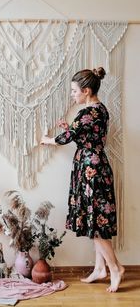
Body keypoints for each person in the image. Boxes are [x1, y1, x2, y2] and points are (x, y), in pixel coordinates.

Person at [40, 67, 124, 293]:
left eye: (74, 91)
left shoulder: (87, 113)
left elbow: (65, 138)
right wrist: (71, 129)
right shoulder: (99, 109)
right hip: (95, 167)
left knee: (96, 225)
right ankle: (100, 269)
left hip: (91, 171)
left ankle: (115, 268)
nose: (72, 95)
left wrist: (48, 139)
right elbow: (84, 135)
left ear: (86, 91)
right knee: (96, 222)